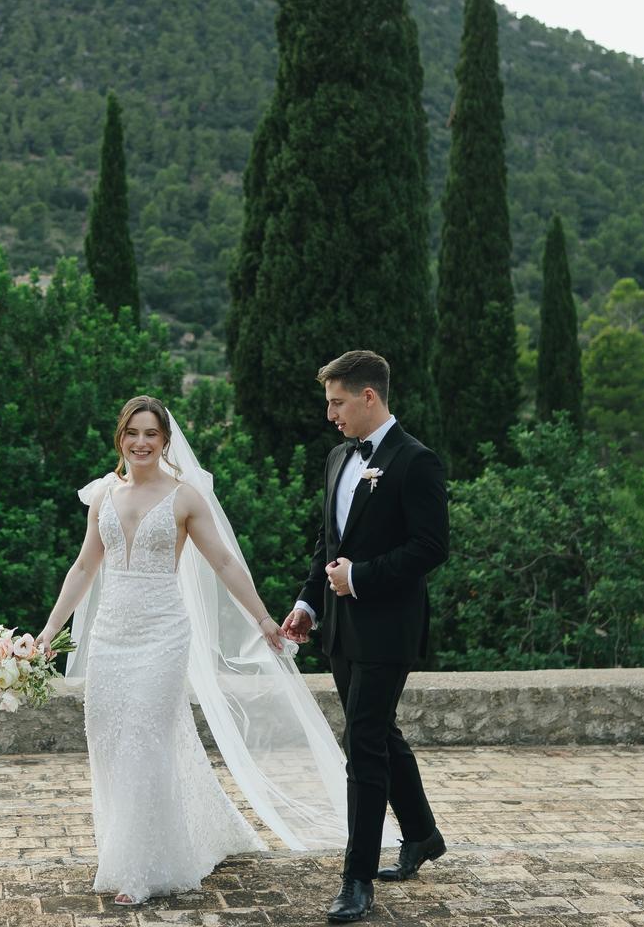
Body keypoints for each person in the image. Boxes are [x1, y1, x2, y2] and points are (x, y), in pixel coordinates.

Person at [37, 394, 350, 906]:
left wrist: (265, 619)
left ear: (164, 441)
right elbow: (82, 568)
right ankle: (124, 849)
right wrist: (50, 631)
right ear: (121, 438)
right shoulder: (102, 497)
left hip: (162, 633)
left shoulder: (184, 497)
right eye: (133, 433)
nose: (141, 443)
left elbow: (225, 564)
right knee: (111, 740)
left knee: (144, 737)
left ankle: (141, 871)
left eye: (151, 434)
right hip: (110, 636)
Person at [280, 350, 450, 923]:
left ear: (368, 396)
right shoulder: (336, 458)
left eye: (337, 402)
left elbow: (432, 547)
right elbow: (327, 542)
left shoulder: (416, 462)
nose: (331, 414)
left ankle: (356, 879)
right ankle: (423, 834)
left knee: (365, 744)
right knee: (371, 733)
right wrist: (309, 601)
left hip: (388, 627)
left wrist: (360, 578)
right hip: (339, 627)